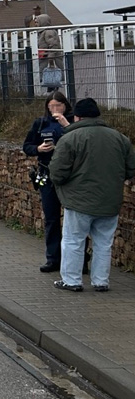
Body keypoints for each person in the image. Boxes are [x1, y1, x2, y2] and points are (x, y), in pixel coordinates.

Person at [48, 97, 135, 292]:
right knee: (104, 243)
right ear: (98, 115)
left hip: (79, 201)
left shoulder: (69, 139)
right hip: (110, 200)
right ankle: (101, 281)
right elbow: (131, 169)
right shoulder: (120, 138)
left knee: (73, 240)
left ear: (76, 117)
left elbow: (57, 172)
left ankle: (72, 281)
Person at [22, 92, 72, 273]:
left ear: (65, 106)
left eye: (58, 105)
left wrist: (66, 125)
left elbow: (80, 140)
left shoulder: (72, 121)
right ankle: (53, 258)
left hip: (69, 177)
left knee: (74, 220)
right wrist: (38, 148)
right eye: (51, 106)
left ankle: (78, 260)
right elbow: (26, 146)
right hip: (45, 172)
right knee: (51, 218)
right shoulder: (40, 123)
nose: (55, 110)